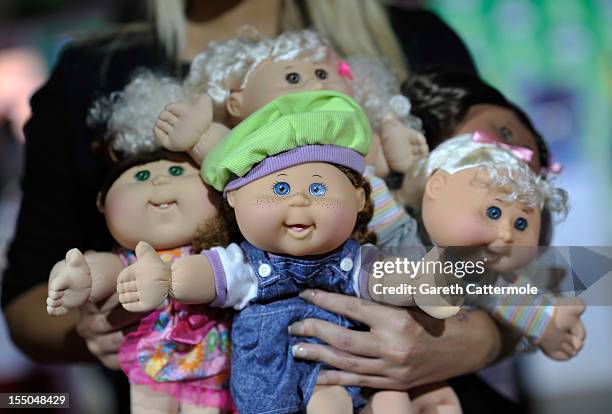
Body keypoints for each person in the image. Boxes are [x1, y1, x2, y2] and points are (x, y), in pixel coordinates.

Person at [2, 1, 511, 411]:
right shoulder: (92, 73)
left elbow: (529, 238)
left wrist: (479, 339)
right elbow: (24, 303)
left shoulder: (411, 39)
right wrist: (95, 324)